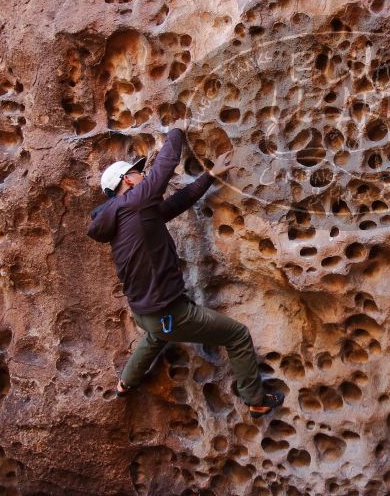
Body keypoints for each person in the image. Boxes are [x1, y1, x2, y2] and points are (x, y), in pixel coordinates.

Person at [87, 128, 284, 418]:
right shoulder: (135, 203)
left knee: (156, 336)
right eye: (137, 173)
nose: (142, 175)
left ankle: (126, 382)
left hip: (145, 312)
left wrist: (209, 176)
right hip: (169, 313)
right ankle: (255, 399)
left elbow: (177, 204)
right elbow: (165, 165)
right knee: (237, 335)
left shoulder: (126, 215)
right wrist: (177, 130)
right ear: (128, 180)